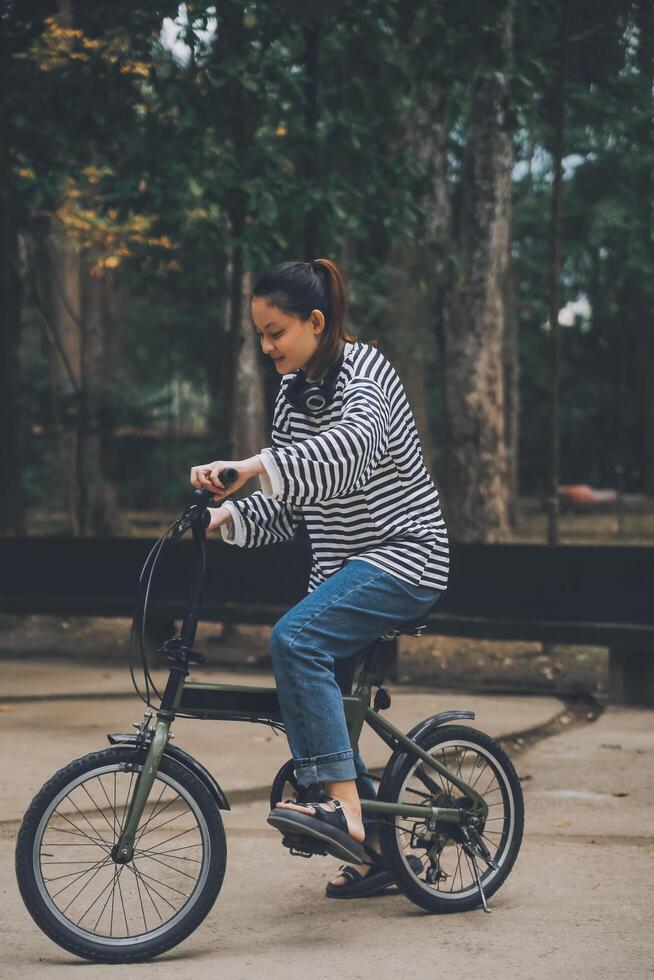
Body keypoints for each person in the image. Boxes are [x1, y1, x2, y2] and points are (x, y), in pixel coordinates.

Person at [190, 258, 449, 898]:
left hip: (404, 555)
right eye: (259, 334)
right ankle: (380, 853)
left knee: (295, 640)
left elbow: (346, 458)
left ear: (315, 322)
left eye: (275, 332)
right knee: (310, 697)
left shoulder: (368, 374)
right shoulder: (292, 391)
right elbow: (292, 500)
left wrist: (251, 463)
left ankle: (345, 810)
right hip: (342, 568)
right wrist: (228, 517)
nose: (266, 346)